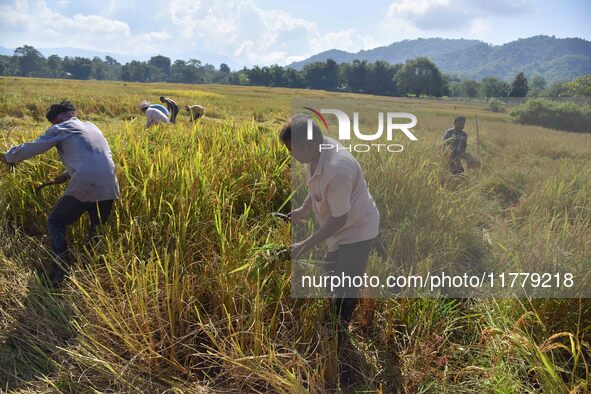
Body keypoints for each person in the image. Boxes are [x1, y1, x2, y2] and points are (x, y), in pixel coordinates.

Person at [280, 114, 380, 385]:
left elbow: (340, 219)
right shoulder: (315, 154)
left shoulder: (337, 168)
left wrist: (304, 244)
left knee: (345, 285)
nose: (291, 155)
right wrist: (302, 210)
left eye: (292, 150)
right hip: (339, 230)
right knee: (330, 275)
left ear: (308, 144)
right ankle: (336, 319)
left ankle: (340, 337)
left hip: (356, 230)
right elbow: (317, 191)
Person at [1, 100, 120, 286]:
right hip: (110, 185)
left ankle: (61, 269)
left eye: (55, 122)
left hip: (85, 182)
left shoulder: (62, 127)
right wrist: (66, 174)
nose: (55, 125)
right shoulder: (91, 126)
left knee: (56, 221)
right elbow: (95, 155)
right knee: (96, 230)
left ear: (60, 118)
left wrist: (8, 156)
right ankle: (91, 274)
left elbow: (33, 147)